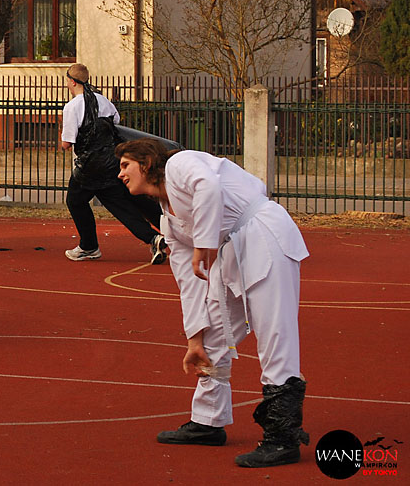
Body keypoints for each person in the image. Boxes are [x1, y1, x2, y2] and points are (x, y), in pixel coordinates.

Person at [116, 138, 310, 468]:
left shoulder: (180, 164)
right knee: (214, 337)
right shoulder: (169, 221)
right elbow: (189, 284)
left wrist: (203, 244)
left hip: (263, 236)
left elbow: (208, 187)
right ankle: (208, 421)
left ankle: (282, 437)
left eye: (125, 165)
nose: (120, 174)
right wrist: (194, 338)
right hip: (228, 252)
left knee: (275, 335)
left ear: (146, 163)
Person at [59, 63, 166, 264]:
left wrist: (61, 139)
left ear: (71, 82)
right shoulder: (103, 100)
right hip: (112, 162)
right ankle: (163, 233)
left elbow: (67, 143)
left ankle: (89, 246)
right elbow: (115, 122)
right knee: (125, 202)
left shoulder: (72, 106)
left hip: (89, 168)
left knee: (75, 201)